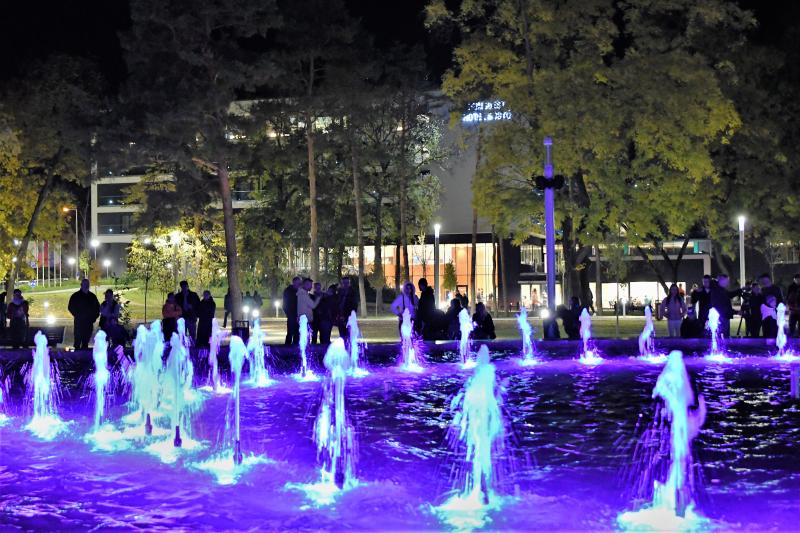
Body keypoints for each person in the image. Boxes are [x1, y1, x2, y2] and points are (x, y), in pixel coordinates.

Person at [68, 278, 100, 350]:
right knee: (77, 342)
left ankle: (84, 355)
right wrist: (78, 315)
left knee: (85, 342)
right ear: (81, 285)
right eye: (85, 284)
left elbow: (97, 308)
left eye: (87, 284)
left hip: (89, 322)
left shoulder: (92, 296)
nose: (86, 286)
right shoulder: (75, 296)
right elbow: (70, 307)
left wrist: (94, 318)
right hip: (79, 322)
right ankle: (76, 355)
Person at [711, 274, 736, 338]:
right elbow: (723, 306)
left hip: (723, 316)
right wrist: (734, 312)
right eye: (726, 281)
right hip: (722, 317)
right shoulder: (718, 291)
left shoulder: (721, 290)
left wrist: (740, 290)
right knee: (723, 335)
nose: (727, 283)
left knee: (722, 335)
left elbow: (730, 295)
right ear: (722, 280)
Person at [283, 276, 301, 345]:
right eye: (297, 283)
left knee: (297, 332)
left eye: (299, 283)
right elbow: (286, 303)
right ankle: (287, 347)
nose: (298, 285)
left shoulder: (299, 290)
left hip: (297, 314)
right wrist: (288, 313)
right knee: (290, 332)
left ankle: (295, 346)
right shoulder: (288, 291)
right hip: (291, 314)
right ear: (294, 282)